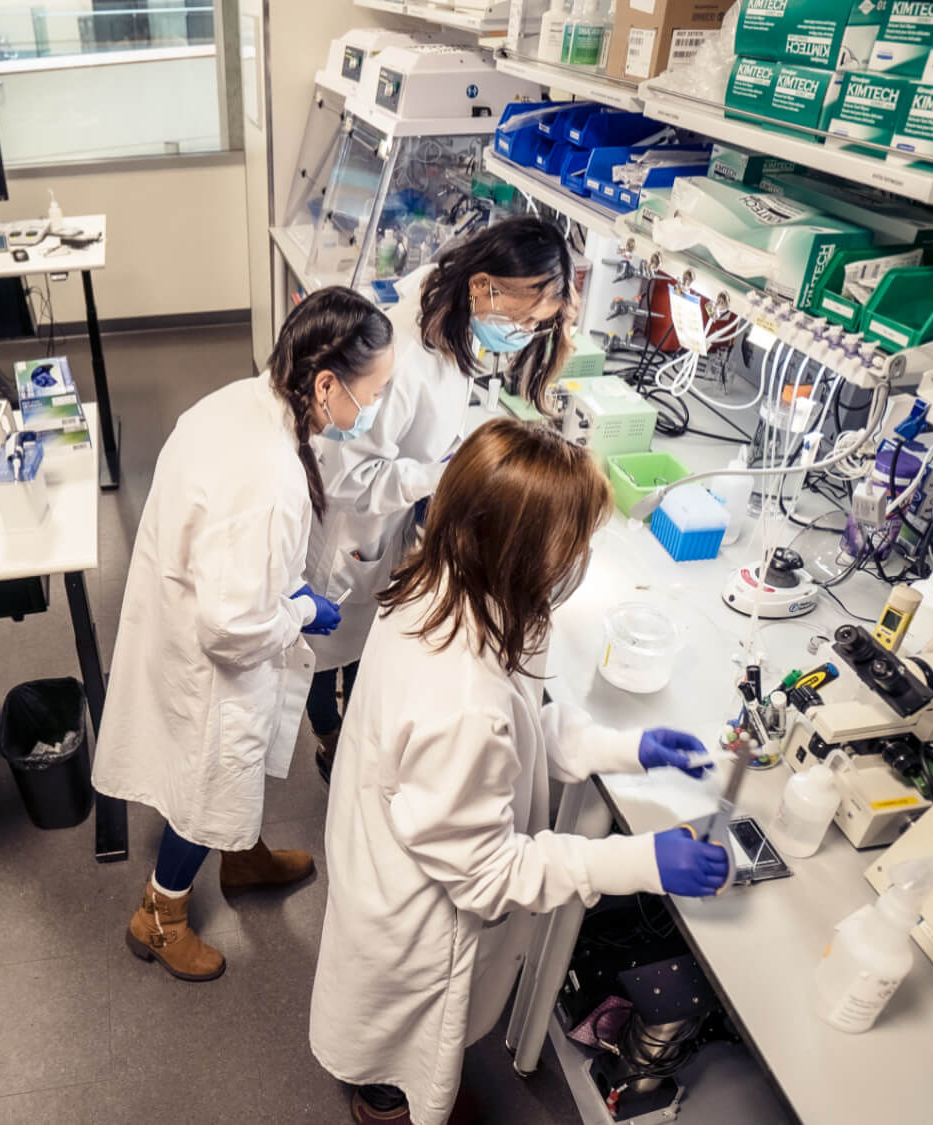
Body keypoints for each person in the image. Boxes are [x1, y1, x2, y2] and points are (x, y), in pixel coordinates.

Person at [309, 419, 730, 1125]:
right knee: (397, 1045)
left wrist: (626, 748)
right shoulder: (461, 702)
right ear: (521, 549)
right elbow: (489, 871)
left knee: (398, 1017)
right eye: (577, 544)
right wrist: (640, 859)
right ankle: (384, 1104)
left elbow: (526, 723)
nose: (584, 557)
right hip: (423, 906)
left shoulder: (452, 583)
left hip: (402, 840)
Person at [95, 287, 396, 982]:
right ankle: (159, 914)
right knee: (210, 781)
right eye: (370, 393)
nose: (372, 409)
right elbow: (233, 627)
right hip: (213, 656)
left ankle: (243, 853)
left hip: (186, 613)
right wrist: (304, 611)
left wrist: (283, 592)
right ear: (326, 383)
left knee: (230, 776)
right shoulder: (269, 474)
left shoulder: (240, 400)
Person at [304, 216, 578, 781]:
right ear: (483, 285)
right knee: (325, 659)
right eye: (524, 319)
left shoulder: (450, 304)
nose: (524, 331)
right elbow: (347, 477)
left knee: (368, 656)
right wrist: (437, 476)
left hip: (391, 524)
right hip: (352, 534)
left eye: (537, 324)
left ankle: (355, 739)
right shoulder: (402, 355)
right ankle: (335, 743)